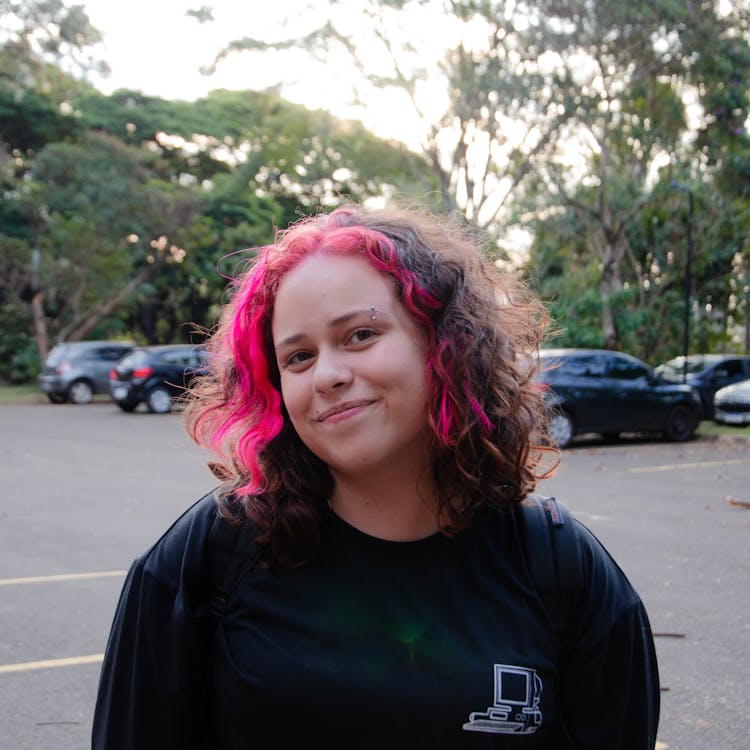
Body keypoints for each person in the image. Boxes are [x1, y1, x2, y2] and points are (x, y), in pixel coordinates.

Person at [92, 203, 660, 749]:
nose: (328, 376)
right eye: (298, 357)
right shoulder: (210, 558)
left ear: (446, 346)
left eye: (360, 335)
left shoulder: (563, 573)